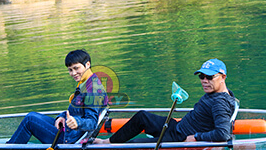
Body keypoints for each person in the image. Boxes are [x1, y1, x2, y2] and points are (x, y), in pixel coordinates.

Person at [0, 49, 107, 150]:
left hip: (69, 139)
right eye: (70, 70)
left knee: (30, 120)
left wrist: (77, 123)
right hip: (69, 130)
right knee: (32, 115)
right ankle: (12, 149)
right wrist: (61, 116)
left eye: (76, 68)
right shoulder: (88, 82)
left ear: (87, 64)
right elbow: (76, 109)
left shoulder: (92, 90)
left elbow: (92, 122)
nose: (73, 73)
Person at [95, 58, 236, 145]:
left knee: (135, 144)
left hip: (179, 138)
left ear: (223, 77)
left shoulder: (220, 103)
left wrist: (197, 137)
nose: (204, 81)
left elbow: (223, 134)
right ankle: (108, 143)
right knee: (142, 116)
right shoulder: (221, 93)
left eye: (210, 77)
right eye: (202, 76)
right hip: (177, 127)